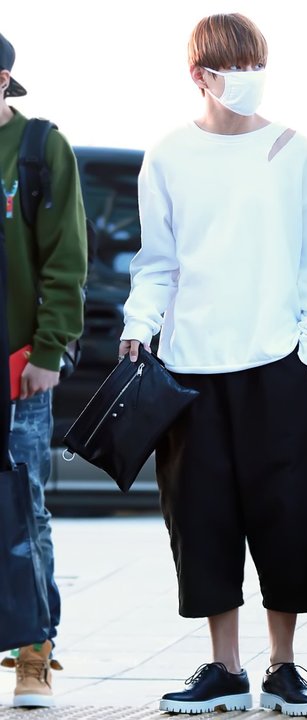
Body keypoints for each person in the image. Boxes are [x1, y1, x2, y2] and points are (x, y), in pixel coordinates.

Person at [119, 12, 307, 716]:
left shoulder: (294, 152)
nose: (250, 78)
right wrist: (138, 326)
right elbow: (157, 262)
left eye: (256, 65)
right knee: (201, 518)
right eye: (235, 67)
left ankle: (283, 666)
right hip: (189, 371)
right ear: (200, 75)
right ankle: (225, 669)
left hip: (278, 366)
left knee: (288, 515)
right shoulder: (167, 156)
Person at [0, 33, 87, 707]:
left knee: (24, 508)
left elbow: (66, 257)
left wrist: (50, 350)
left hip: (17, 367)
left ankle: (34, 655)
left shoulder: (38, 148)